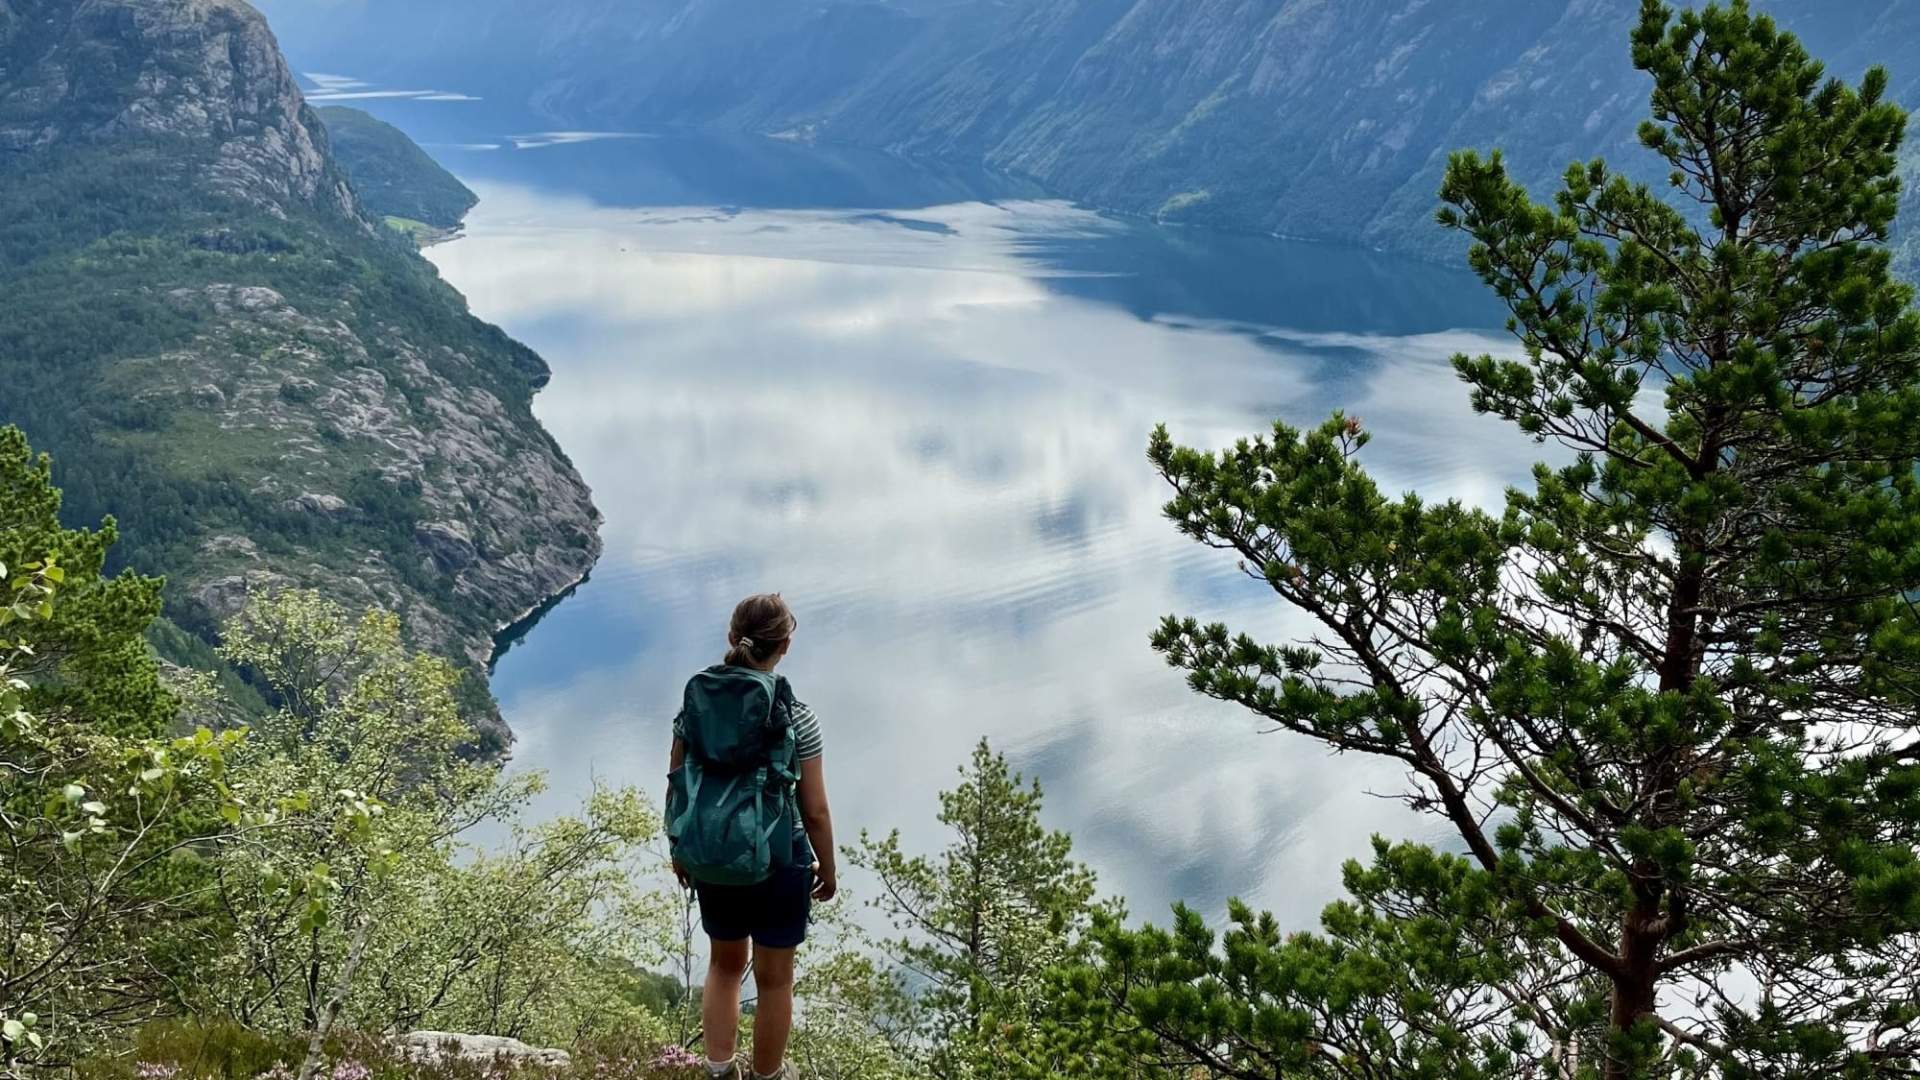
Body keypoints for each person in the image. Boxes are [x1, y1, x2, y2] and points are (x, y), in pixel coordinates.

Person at [669, 593, 837, 1080]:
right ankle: (767, 1077)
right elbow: (817, 810)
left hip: (713, 849)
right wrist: (827, 867)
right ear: (785, 645)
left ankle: (719, 1071)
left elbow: (677, 779)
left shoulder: (696, 702)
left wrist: (679, 846)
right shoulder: (795, 715)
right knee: (775, 979)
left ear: (732, 637)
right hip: (780, 857)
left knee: (723, 966)